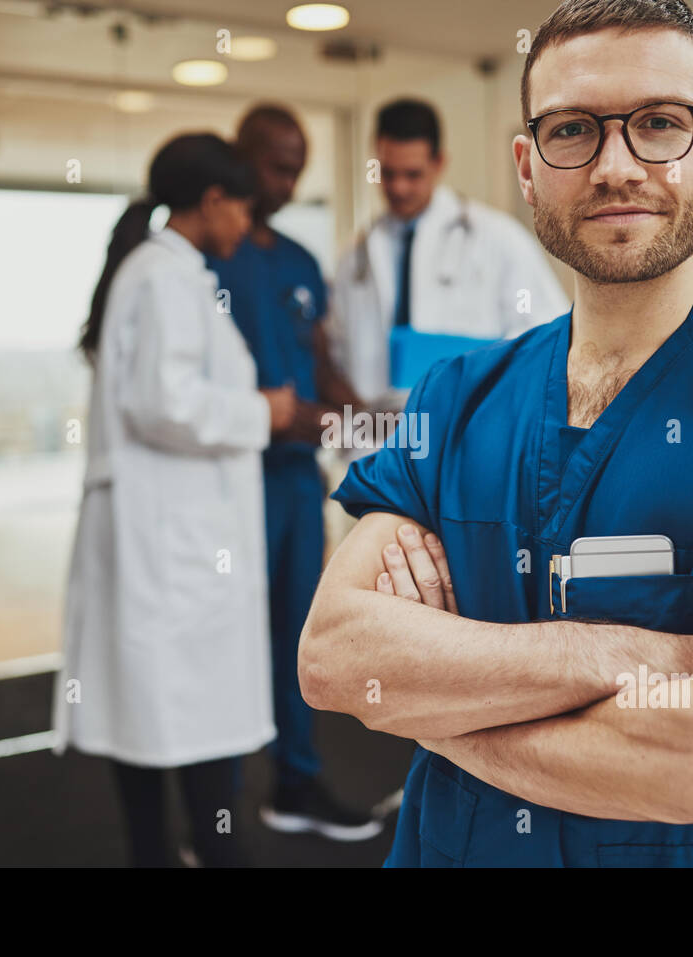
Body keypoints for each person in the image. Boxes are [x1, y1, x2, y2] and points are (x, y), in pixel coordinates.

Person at [299, 0, 693, 867]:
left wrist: (441, 714)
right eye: (572, 132)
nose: (615, 166)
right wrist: (621, 654)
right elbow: (336, 659)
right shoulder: (455, 399)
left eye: (660, 124)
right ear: (527, 166)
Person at [52, 133, 297, 867]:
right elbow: (164, 402)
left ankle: (166, 853)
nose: (246, 225)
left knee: (158, 710)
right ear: (215, 201)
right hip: (169, 539)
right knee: (186, 712)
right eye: (242, 207)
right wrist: (265, 412)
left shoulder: (166, 271)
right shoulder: (164, 277)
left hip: (166, 533)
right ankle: (210, 854)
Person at [205, 105, 381, 842]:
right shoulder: (200, 258)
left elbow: (320, 362)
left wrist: (367, 421)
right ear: (240, 160)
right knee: (217, 637)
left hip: (292, 481)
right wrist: (321, 419)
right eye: (276, 164)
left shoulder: (300, 262)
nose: (287, 179)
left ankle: (296, 781)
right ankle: (209, 808)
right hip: (219, 486)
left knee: (295, 632)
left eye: (297, 165)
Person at [329, 97, 570, 409]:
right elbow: (335, 352)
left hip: (470, 424)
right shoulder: (355, 256)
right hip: (380, 438)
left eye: (412, 174)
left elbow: (547, 335)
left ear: (439, 163)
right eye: (388, 174)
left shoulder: (498, 239)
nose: (399, 187)